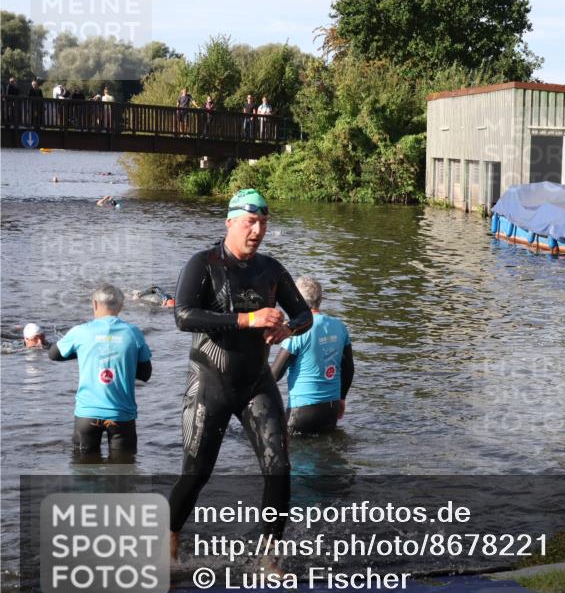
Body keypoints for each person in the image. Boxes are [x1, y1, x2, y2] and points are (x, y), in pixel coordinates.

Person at [168, 188, 312, 568]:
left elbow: (304, 316)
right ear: (230, 221)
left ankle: (269, 557)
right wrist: (248, 319)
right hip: (210, 383)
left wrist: (288, 331)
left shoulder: (272, 269)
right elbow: (183, 316)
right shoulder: (204, 264)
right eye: (250, 221)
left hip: (256, 383)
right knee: (196, 474)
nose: (257, 230)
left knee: (279, 468)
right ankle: (169, 539)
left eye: (263, 222)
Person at [49, 284, 152, 460]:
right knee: (123, 472)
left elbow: (54, 354)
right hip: (121, 416)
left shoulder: (80, 332)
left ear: (94, 304)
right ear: (121, 306)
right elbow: (145, 374)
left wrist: (83, 353)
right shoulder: (133, 333)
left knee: (84, 473)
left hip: (87, 415)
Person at [272, 277, 354, 434]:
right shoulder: (340, 327)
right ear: (320, 299)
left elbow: (274, 375)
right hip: (331, 410)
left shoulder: (297, 331)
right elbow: (348, 368)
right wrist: (342, 398)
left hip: (301, 411)